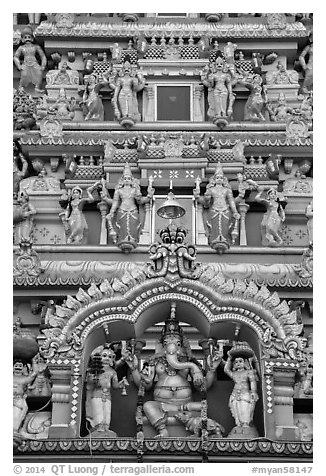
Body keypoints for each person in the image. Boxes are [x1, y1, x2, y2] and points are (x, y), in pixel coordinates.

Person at [121, 303, 223, 437]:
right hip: (162, 405)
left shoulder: (189, 361)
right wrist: (133, 368)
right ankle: (162, 430)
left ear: (181, 345)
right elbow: (144, 384)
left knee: (201, 406)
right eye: (168, 342)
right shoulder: (154, 361)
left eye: (176, 343)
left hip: (185, 405)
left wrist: (212, 370)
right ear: (163, 345)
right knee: (147, 406)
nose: (172, 346)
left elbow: (203, 386)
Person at [107, 163, 154, 252]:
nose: (127, 180)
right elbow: (115, 202)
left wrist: (148, 196)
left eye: (129, 178)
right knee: (122, 228)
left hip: (133, 211)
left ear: (131, 180)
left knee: (133, 228)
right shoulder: (119, 190)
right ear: (122, 180)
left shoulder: (135, 190)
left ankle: (133, 241)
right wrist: (112, 212)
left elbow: (139, 201)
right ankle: (122, 241)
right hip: (122, 211)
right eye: (125, 178)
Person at [194, 164, 240, 252]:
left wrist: (235, 211)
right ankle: (214, 240)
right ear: (214, 179)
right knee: (214, 227)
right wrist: (199, 193)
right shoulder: (211, 190)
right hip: (214, 210)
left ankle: (225, 240)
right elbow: (205, 201)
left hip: (225, 210)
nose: (219, 179)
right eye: (217, 177)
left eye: (221, 178)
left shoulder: (227, 190)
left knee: (225, 226)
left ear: (224, 180)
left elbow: (231, 201)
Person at [85, 346, 123, 435]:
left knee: (107, 413)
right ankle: (98, 429)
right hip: (96, 394)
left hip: (107, 395)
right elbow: (89, 382)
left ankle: (106, 429)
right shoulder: (94, 370)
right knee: (98, 413)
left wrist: (121, 384)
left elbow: (115, 385)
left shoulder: (113, 372)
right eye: (104, 355)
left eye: (110, 357)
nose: (107, 358)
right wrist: (95, 379)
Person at [223, 346, 259, 436]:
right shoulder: (234, 373)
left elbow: (253, 382)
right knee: (236, 412)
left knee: (244, 411)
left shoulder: (249, 372)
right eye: (236, 362)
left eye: (240, 361)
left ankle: (246, 426)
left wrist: (254, 392)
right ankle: (239, 425)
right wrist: (229, 358)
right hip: (235, 394)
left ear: (245, 363)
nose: (238, 363)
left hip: (245, 394)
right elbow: (226, 370)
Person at [13, 26, 47, 93]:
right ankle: (21, 88)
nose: (27, 39)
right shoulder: (21, 48)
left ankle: (37, 87)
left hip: (34, 63)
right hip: (25, 64)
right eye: (25, 37)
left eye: (29, 37)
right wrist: (19, 66)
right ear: (22, 39)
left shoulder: (36, 47)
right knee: (24, 75)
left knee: (39, 73)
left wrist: (43, 66)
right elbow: (16, 57)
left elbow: (43, 56)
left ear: (32, 39)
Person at [111, 60, 145, 125]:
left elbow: (135, 89)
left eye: (129, 68)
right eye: (125, 68)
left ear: (131, 70)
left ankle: (129, 117)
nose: (127, 69)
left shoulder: (132, 79)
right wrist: (115, 96)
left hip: (129, 93)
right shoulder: (120, 79)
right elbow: (117, 88)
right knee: (123, 110)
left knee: (130, 108)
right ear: (122, 70)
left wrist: (137, 81)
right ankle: (124, 117)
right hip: (122, 94)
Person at [13, 357, 39, 434]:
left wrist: (33, 361)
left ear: (24, 368)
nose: (18, 368)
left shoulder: (24, 379)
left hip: (18, 402)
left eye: (20, 366)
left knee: (15, 419)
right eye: (16, 366)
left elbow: (34, 374)